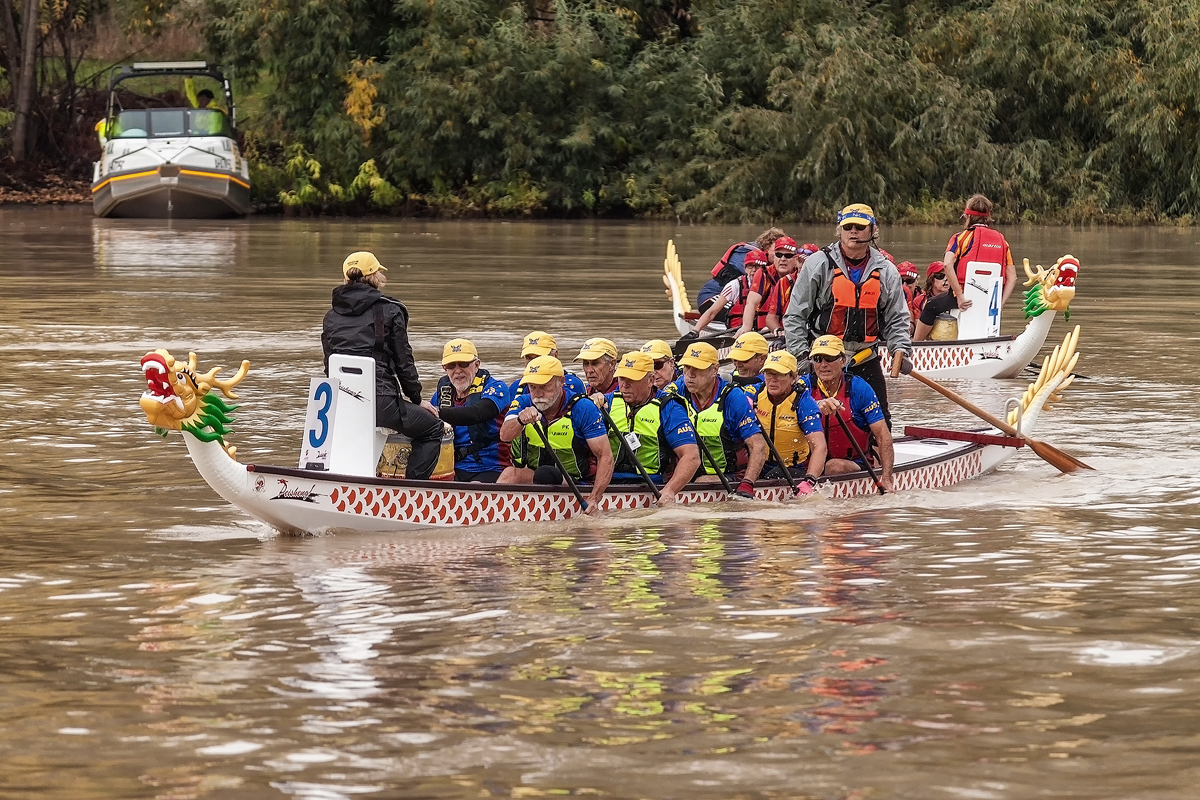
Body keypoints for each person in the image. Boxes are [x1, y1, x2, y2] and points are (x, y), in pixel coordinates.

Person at [782, 203, 913, 424]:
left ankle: (877, 457)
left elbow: (897, 318)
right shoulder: (818, 264)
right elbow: (795, 316)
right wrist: (802, 356)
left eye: (860, 227)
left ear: (872, 231)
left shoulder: (886, 270)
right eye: (848, 226)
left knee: (881, 421)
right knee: (809, 419)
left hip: (864, 357)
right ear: (840, 230)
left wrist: (900, 350)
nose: (853, 231)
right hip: (822, 358)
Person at [321, 251, 443, 480]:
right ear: (375, 276)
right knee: (432, 429)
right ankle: (411, 493)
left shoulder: (330, 316)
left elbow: (329, 365)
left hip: (342, 404)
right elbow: (403, 362)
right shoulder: (391, 310)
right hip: (381, 402)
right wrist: (417, 399)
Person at [498, 356, 614, 514]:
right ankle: (495, 514)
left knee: (546, 475)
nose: (538, 394)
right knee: (510, 474)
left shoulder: (583, 407)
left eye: (544, 387)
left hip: (576, 482)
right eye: (533, 387)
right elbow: (505, 435)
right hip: (537, 475)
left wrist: (594, 498)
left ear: (561, 381)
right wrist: (520, 420)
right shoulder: (523, 402)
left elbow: (605, 456)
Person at [604, 352, 701, 506]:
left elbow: (692, 457)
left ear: (650, 380)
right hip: (608, 482)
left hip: (652, 484)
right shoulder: (606, 402)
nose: (625, 385)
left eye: (632, 379)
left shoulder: (669, 408)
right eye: (622, 378)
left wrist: (670, 490)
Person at [672, 342, 767, 498]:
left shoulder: (733, 398)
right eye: (687, 368)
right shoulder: (679, 388)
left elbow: (757, 446)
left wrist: (747, 484)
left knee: (701, 481)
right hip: (688, 470)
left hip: (730, 474)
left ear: (714, 370)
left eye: (697, 369)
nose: (690, 374)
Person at [800, 335, 894, 492]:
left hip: (853, 462)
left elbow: (883, 436)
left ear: (843, 361)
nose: (823, 365)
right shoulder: (803, 385)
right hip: (808, 464)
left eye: (830, 358)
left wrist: (886, 477)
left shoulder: (860, 389)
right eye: (817, 358)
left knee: (834, 466)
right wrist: (815, 405)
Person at [421, 338, 510, 482]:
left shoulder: (497, 388)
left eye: (463, 364)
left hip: (490, 468)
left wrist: (435, 412)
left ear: (476, 365)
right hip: (451, 468)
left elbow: (476, 414)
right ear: (445, 368)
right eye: (451, 365)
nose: (457, 371)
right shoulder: (440, 395)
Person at [754, 350, 827, 494]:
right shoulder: (754, 392)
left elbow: (820, 447)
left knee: (773, 475)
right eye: (769, 373)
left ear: (793, 378)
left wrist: (809, 481)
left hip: (794, 468)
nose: (773, 380)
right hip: (758, 464)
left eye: (780, 374)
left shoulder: (804, 402)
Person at [941, 194, 1017, 312]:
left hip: (964, 298)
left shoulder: (959, 238)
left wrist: (960, 296)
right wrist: (1000, 304)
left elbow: (947, 265)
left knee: (931, 306)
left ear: (967, 216)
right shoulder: (1003, 242)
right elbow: (1012, 278)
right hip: (991, 300)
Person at [688, 249, 769, 337]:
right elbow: (712, 312)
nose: (754, 270)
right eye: (750, 266)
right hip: (738, 333)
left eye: (758, 266)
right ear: (745, 268)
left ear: (765, 268)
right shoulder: (735, 285)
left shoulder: (773, 284)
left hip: (766, 332)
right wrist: (695, 331)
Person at [738, 236, 800, 336]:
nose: (783, 259)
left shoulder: (800, 276)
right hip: (765, 330)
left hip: (792, 330)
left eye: (788, 256)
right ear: (773, 257)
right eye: (779, 255)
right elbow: (751, 303)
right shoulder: (763, 274)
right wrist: (746, 326)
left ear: (796, 259)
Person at [763, 242, 819, 335]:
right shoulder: (784, 282)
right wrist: (778, 330)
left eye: (806, 262)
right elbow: (771, 318)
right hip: (787, 333)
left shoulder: (825, 283)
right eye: (800, 261)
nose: (802, 265)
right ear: (796, 262)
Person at [510, 331, 586, 397]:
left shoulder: (571, 383)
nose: (533, 363)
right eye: (529, 358)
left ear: (555, 355)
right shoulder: (516, 387)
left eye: (539, 357)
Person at [914, 262, 959, 341]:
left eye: (948, 275)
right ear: (931, 279)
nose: (946, 279)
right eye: (940, 276)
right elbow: (917, 326)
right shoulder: (920, 300)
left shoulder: (957, 298)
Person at [727, 331, 769, 398]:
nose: (738, 364)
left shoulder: (773, 384)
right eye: (735, 360)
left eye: (743, 360)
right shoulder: (730, 377)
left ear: (762, 359)